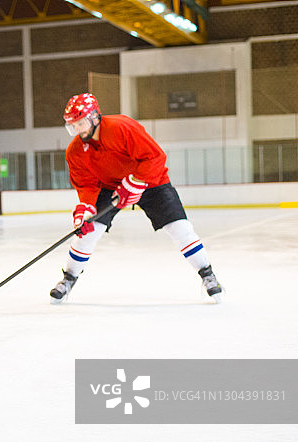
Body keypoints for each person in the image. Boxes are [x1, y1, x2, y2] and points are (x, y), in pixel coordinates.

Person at [49, 93, 223, 303]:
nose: (78, 130)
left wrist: (135, 182)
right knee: (88, 232)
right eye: (73, 126)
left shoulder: (122, 127)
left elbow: (155, 157)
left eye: (80, 123)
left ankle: (207, 274)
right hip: (110, 187)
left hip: (151, 181)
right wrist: (85, 210)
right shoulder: (75, 151)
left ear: (94, 116)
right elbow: (86, 185)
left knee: (180, 228)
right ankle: (69, 278)